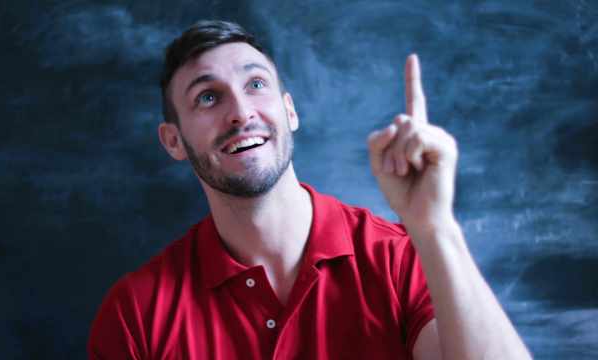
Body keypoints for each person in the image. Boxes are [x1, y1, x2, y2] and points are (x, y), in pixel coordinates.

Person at [88, 20, 531, 359]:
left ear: (289, 111)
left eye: (256, 84)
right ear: (173, 141)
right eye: (208, 97)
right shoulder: (136, 314)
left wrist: (435, 227)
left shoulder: (405, 258)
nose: (241, 113)